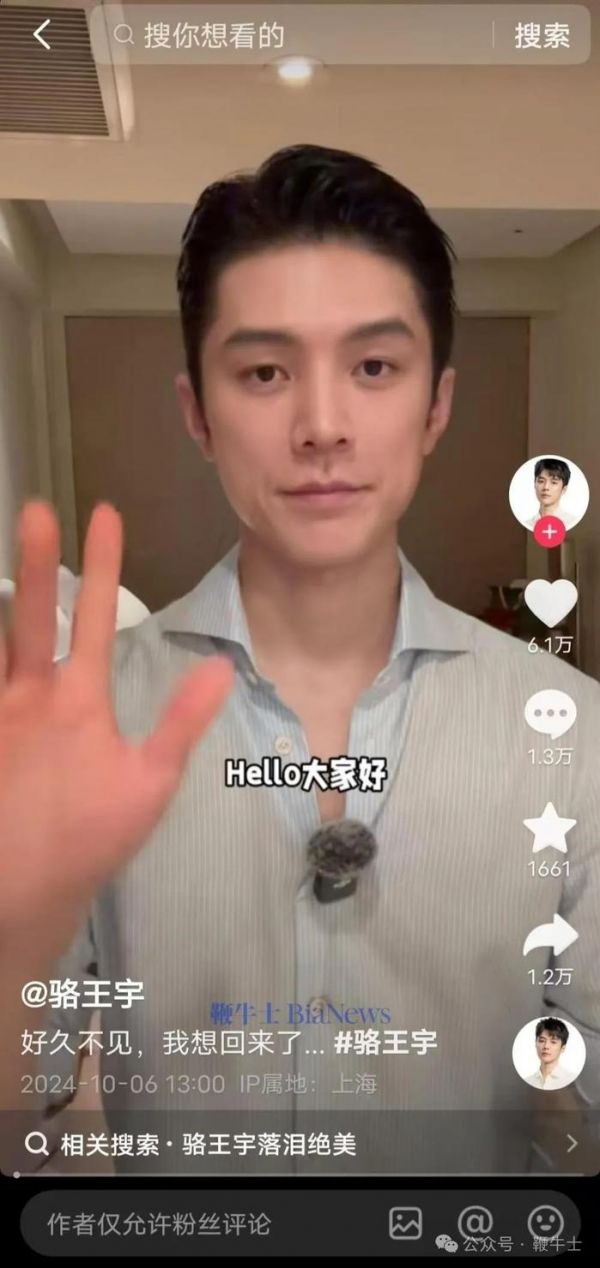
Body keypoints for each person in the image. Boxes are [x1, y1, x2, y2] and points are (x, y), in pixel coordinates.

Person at [1, 144, 599, 1177]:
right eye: (265, 372)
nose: (322, 427)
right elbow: (25, 1106)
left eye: (374, 367)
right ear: (199, 413)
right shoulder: (91, 715)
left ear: (436, 405)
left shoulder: (569, 731)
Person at [524, 1018, 577, 1091]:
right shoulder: (527, 1082)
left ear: (563, 1048)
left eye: (553, 1042)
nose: (546, 1046)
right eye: (542, 1041)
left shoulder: (572, 1082)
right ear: (535, 1044)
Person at [525, 457, 578, 530]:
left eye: (554, 482)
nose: (546, 487)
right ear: (534, 484)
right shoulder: (527, 524)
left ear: (564, 489)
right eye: (541, 481)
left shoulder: (572, 523)